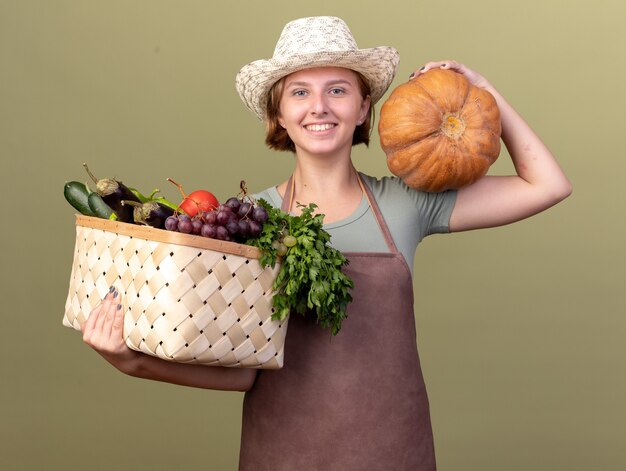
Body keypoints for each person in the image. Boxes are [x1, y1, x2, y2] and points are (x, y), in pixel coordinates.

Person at [81, 16, 572, 471]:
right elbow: (244, 372)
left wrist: (482, 93)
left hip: (394, 452)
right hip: (283, 453)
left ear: (363, 109)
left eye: (338, 90)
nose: (319, 107)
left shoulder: (408, 204)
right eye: (300, 92)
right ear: (279, 113)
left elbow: (547, 185)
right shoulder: (250, 220)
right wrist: (132, 361)